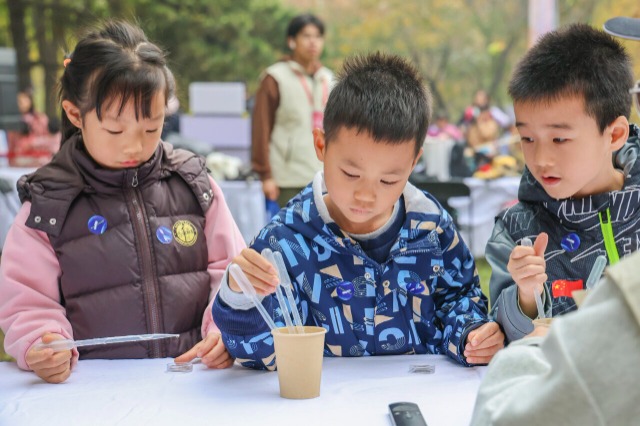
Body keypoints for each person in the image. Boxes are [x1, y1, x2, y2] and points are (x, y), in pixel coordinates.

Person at [212, 52, 504, 370]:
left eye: (389, 179)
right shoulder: (286, 240)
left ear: (414, 162)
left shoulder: (431, 228)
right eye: (351, 174)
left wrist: (471, 335)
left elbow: (459, 297)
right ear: (321, 146)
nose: (366, 195)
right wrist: (241, 298)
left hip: (418, 397)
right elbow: (261, 354)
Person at [0, 21, 245, 383]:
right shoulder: (48, 205)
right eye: (115, 129)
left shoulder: (193, 184)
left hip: (193, 383)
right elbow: (27, 298)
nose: (134, 145)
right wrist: (42, 341)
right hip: (91, 392)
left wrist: (225, 329)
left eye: (152, 127)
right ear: (74, 115)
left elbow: (232, 273)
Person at [471, 21, 640, 425]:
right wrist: (526, 296)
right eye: (527, 138)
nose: (541, 158)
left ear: (614, 133)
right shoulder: (517, 227)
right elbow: (508, 339)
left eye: (559, 139)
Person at [251, 13, 333, 207]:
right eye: (306, 36)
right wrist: (266, 176)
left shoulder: (329, 79)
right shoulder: (274, 78)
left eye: (318, 36)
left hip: (324, 177)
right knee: (289, 235)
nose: (313, 42)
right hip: (287, 179)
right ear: (291, 41)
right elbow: (260, 130)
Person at [7, 89, 61, 166]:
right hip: (22, 159)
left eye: (24, 99)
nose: (21, 103)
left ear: (30, 100)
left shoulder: (40, 118)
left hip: (40, 158)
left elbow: (48, 138)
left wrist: (34, 142)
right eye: (19, 100)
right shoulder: (14, 121)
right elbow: (13, 144)